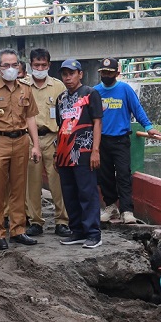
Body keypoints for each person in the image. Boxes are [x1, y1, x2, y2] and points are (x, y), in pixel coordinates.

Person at [0, 48, 42, 250]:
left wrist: (36, 145)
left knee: (19, 188)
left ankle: (18, 230)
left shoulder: (26, 89)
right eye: (6, 65)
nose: (11, 69)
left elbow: (30, 118)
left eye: (15, 65)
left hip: (21, 140)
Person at [95, 57, 161, 225]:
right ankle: (111, 207)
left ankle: (127, 210)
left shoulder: (125, 89)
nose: (106, 75)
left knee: (124, 175)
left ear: (117, 73)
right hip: (101, 140)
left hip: (120, 140)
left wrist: (148, 127)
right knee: (105, 177)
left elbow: (136, 108)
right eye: (103, 73)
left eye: (110, 73)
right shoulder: (95, 92)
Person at [21, 48, 70, 238]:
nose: (40, 68)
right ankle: (35, 221)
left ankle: (62, 221)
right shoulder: (22, 86)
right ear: (30, 66)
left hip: (53, 138)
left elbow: (67, 114)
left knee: (57, 181)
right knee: (31, 183)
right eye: (36, 65)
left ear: (49, 65)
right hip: (29, 139)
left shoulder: (58, 87)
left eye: (43, 65)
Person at [55, 58, 103, 249]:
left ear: (80, 74)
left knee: (87, 192)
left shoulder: (91, 94)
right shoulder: (61, 98)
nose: (68, 78)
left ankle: (93, 233)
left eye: (71, 74)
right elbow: (60, 126)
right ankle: (77, 230)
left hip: (84, 151)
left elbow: (97, 122)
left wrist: (95, 151)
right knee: (70, 193)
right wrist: (55, 153)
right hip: (64, 153)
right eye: (65, 74)